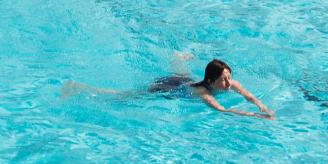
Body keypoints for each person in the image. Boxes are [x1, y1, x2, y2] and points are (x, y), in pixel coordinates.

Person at [64, 58, 275, 120]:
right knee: (126, 96)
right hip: (167, 89)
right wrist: (256, 116)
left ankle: (178, 57)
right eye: (223, 80)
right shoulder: (204, 93)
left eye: (229, 77)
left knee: (183, 74)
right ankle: (81, 88)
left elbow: (248, 95)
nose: (228, 84)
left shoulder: (229, 82)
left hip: (183, 81)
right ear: (210, 81)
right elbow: (223, 110)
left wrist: (262, 106)